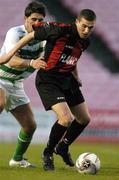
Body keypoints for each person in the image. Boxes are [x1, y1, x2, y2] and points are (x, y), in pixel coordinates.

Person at [0, 9, 96, 171]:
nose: (87, 31)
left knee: (84, 119)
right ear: (77, 22)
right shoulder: (59, 29)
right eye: (84, 26)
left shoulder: (85, 42)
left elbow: (73, 58)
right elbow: (31, 35)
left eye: (91, 28)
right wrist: (8, 56)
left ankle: (62, 148)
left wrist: (76, 76)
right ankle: (48, 153)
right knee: (66, 119)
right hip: (49, 80)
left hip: (68, 79)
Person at [0, 1, 47, 168]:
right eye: (33, 19)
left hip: (16, 84)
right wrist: (31, 62)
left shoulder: (45, 36)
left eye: (40, 20)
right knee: (0, 102)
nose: (37, 23)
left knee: (30, 126)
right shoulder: (15, 32)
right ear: (25, 19)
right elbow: (11, 61)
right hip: (0, 77)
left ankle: (17, 160)